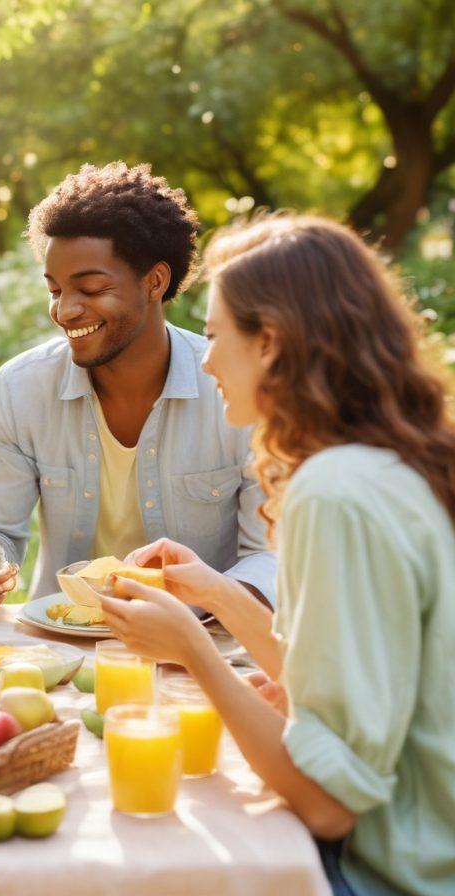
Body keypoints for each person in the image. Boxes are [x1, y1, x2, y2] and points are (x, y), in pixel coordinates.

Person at [102, 214, 455, 896]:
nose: (203, 362)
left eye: (212, 336)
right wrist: (214, 593)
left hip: (392, 874)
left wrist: (196, 652)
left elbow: (329, 804)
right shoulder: (391, 465)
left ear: (270, 341)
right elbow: (342, 675)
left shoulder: (334, 492)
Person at [0, 162, 275, 618]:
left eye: (92, 289)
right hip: (64, 640)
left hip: (205, 642)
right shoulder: (21, 389)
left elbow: (268, 558)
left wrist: (212, 607)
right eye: (55, 290)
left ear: (155, 282)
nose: (65, 310)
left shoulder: (233, 391)